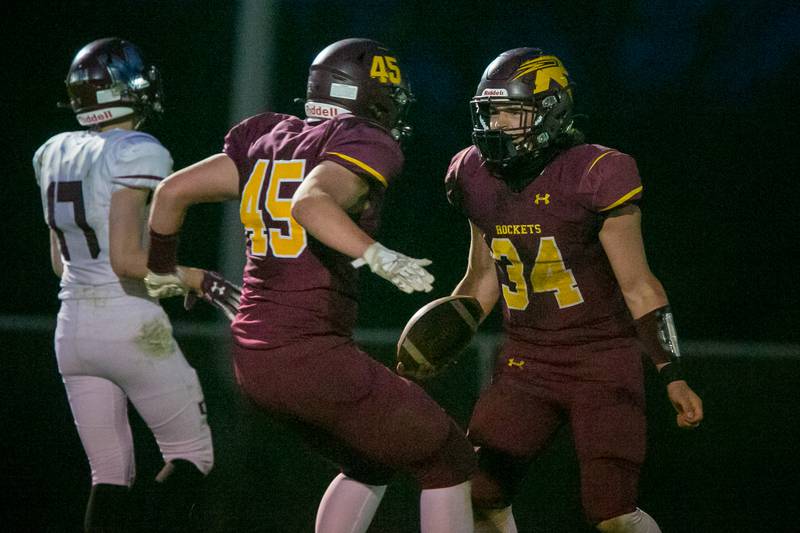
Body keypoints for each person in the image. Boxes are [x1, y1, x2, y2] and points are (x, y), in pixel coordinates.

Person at [144, 38, 476, 533]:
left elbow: (171, 193)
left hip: (253, 357)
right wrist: (374, 254)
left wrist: (162, 268)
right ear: (371, 95)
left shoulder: (268, 135)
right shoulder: (365, 139)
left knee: (371, 460)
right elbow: (309, 202)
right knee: (447, 456)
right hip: (308, 354)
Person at [440, 48, 704, 532]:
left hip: (601, 361)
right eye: (489, 111)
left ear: (550, 112)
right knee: (477, 491)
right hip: (526, 363)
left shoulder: (595, 172)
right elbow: (481, 281)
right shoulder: (474, 175)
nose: (495, 124)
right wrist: (436, 343)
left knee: (611, 514)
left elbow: (640, 285)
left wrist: (673, 373)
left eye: (510, 112)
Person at [33, 38, 217, 532]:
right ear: (130, 87)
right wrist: (194, 277)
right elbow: (127, 259)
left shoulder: (53, 151)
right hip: (128, 321)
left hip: (71, 328)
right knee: (191, 456)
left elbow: (59, 262)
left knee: (109, 474)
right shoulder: (138, 149)